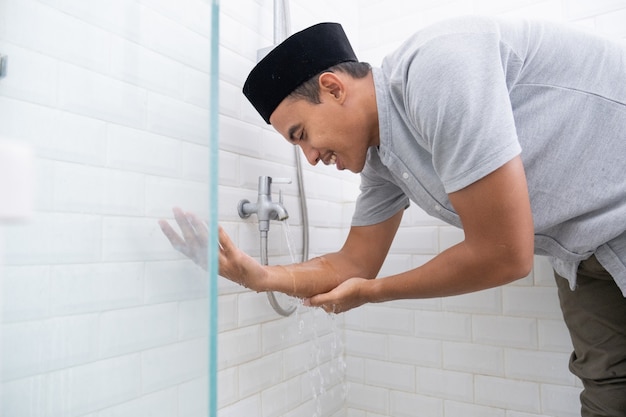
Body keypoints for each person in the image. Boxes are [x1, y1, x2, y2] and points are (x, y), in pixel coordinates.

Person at [159, 17, 626, 416]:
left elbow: (504, 255)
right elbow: (353, 264)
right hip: (581, 248)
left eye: (301, 134)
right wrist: (260, 276)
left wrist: (375, 294)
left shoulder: (436, 69)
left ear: (333, 87)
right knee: (608, 391)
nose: (311, 157)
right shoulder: (384, 163)